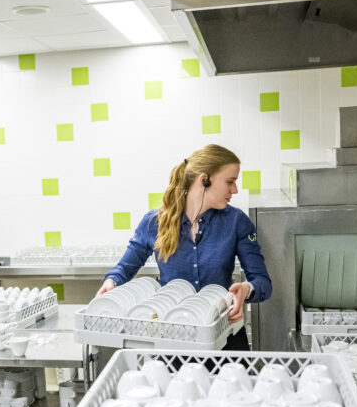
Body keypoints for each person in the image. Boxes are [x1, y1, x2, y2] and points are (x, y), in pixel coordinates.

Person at [98, 144, 272, 351]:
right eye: (230, 181)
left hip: (225, 340)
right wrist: (111, 282)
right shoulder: (154, 222)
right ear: (204, 180)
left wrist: (246, 289)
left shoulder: (236, 222)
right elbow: (124, 268)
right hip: (172, 340)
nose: (235, 190)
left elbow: (262, 282)